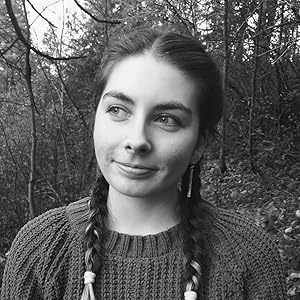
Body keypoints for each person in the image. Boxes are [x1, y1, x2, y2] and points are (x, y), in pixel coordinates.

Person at [1, 28, 287, 300]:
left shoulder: (249, 255)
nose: (137, 140)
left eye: (166, 119)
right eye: (117, 109)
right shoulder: (41, 249)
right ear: (96, 118)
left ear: (199, 144)